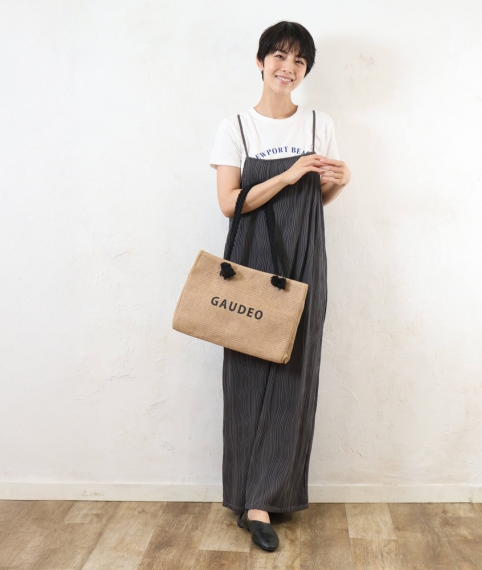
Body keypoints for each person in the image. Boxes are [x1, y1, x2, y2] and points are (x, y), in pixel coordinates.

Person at [209, 20, 351, 552]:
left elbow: (317, 202)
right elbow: (229, 203)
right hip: (249, 261)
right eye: (279, 56)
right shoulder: (236, 127)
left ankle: (270, 497)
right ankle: (249, 498)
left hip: (305, 258)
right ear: (260, 61)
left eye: (298, 60)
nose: (287, 67)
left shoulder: (319, 124)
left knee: (296, 374)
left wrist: (338, 184)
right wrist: (289, 175)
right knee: (246, 375)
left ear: (305, 70)